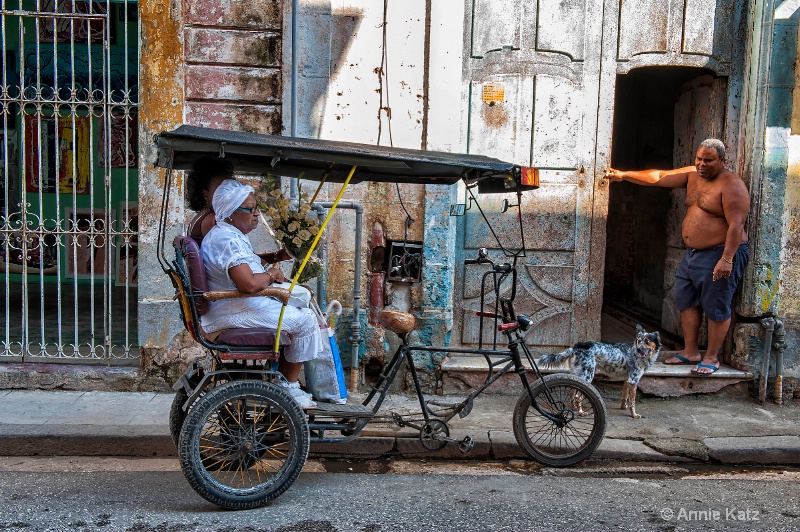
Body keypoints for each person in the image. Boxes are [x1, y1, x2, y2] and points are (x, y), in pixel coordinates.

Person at [604, 138, 750, 375]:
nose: (702, 164)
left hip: (719, 252)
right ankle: (690, 351)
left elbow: (736, 225)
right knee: (686, 301)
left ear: (723, 160)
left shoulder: (732, 185)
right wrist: (623, 174)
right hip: (692, 254)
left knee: (716, 305)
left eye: (709, 160)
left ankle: (711, 357)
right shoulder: (692, 175)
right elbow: (660, 176)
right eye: (699, 159)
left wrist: (727, 259)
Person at [200, 179, 322, 408]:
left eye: (257, 208)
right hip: (233, 310)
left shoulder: (228, 234)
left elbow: (248, 263)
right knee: (306, 321)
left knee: (300, 306)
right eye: (251, 209)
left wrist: (276, 257)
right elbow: (247, 283)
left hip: (234, 307)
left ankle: (283, 382)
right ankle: (288, 389)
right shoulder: (227, 240)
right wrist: (273, 275)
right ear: (230, 213)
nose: (257, 214)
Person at [186, 155, 292, 263]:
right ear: (205, 194)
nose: (228, 193)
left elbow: (248, 259)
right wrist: (272, 272)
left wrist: (279, 256)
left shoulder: (205, 216)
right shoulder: (213, 220)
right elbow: (249, 266)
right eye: (222, 189)